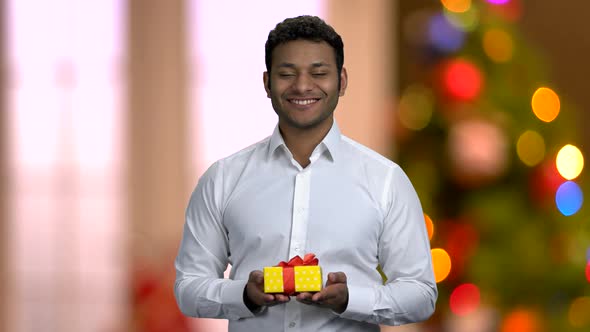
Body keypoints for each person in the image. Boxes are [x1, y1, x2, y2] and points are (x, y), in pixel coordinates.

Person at [174, 15, 437, 331]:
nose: (301, 86)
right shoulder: (222, 179)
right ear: (267, 83)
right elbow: (188, 288)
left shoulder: (386, 181)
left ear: (341, 81)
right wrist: (244, 293)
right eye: (286, 74)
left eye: (319, 73)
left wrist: (350, 300)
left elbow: (420, 294)